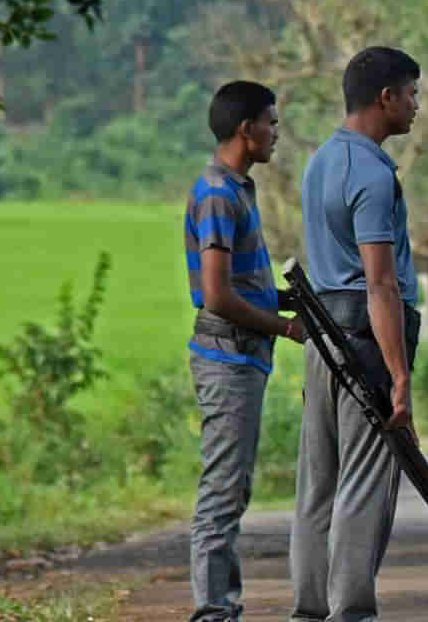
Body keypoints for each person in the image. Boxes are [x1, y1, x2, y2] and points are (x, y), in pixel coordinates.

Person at [289, 46, 422, 622]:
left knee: (319, 479)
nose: (416, 107)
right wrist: (398, 376)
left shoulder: (320, 160)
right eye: (412, 94)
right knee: (365, 479)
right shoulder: (372, 172)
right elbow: (380, 283)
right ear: (386, 97)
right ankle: (352, 609)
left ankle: (310, 606)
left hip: (323, 337)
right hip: (366, 339)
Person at [184, 80, 307, 622]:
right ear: (245, 129)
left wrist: (295, 299)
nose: (276, 133)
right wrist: (283, 326)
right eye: (272, 123)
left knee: (234, 486)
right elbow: (217, 295)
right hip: (227, 359)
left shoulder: (237, 190)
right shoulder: (217, 194)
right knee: (224, 489)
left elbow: (243, 285)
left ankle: (220, 606)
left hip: (244, 359)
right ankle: (213, 611)